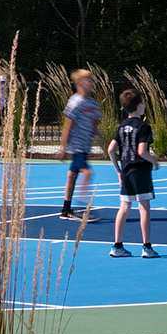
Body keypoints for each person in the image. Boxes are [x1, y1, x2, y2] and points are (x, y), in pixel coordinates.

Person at [106, 89, 160, 258]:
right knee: (144, 208)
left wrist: (118, 171)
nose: (144, 105)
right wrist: (154, 160)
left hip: (126, 172)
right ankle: (147, 247)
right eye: (143, 103)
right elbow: (142, 151)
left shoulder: (121, 127)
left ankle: (117, 246)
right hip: (140, 171)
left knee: (124, 208)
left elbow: (110, 149)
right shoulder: (144, 127)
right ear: (138, 106)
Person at [57, 69, 102, 221]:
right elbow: (67, 125)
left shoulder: (93, 103)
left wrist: (104, 143)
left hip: (85, 145)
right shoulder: (75, 101)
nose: (91, 83)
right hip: (76, 146)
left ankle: (66, 210)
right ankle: (84, 207)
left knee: (72, 176)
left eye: (92, 80)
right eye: (88, 80)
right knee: (88, 173)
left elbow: (95, 126)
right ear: (79, 83)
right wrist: (64, 147)